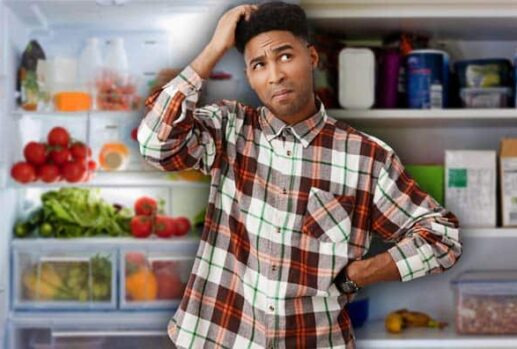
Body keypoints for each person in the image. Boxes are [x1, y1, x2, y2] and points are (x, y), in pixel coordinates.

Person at [137, 2, 462, 348]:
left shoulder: (366, 157)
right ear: (249, 76)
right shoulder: (228, 129)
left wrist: (359, 274)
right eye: (259, 65)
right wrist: (214, 48)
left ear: (312, 57)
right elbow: (155, 145)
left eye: (285, 56)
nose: (275, 74)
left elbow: (442, 239)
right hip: (219, 338)